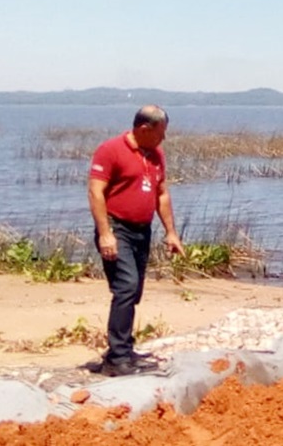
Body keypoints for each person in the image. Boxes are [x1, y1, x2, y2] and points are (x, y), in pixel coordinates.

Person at [87, 104, 185, 376]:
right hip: (117, 229)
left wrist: (171, 232)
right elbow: (96, 193)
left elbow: (161, 194)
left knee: (134, 291)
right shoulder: (110, 150)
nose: (163, 139)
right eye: (160, 133)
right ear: (144, 129)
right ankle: (116, 358)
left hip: (143, 230)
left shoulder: (156, 154)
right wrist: (106, 233)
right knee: (126, 287)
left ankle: (125, 349)